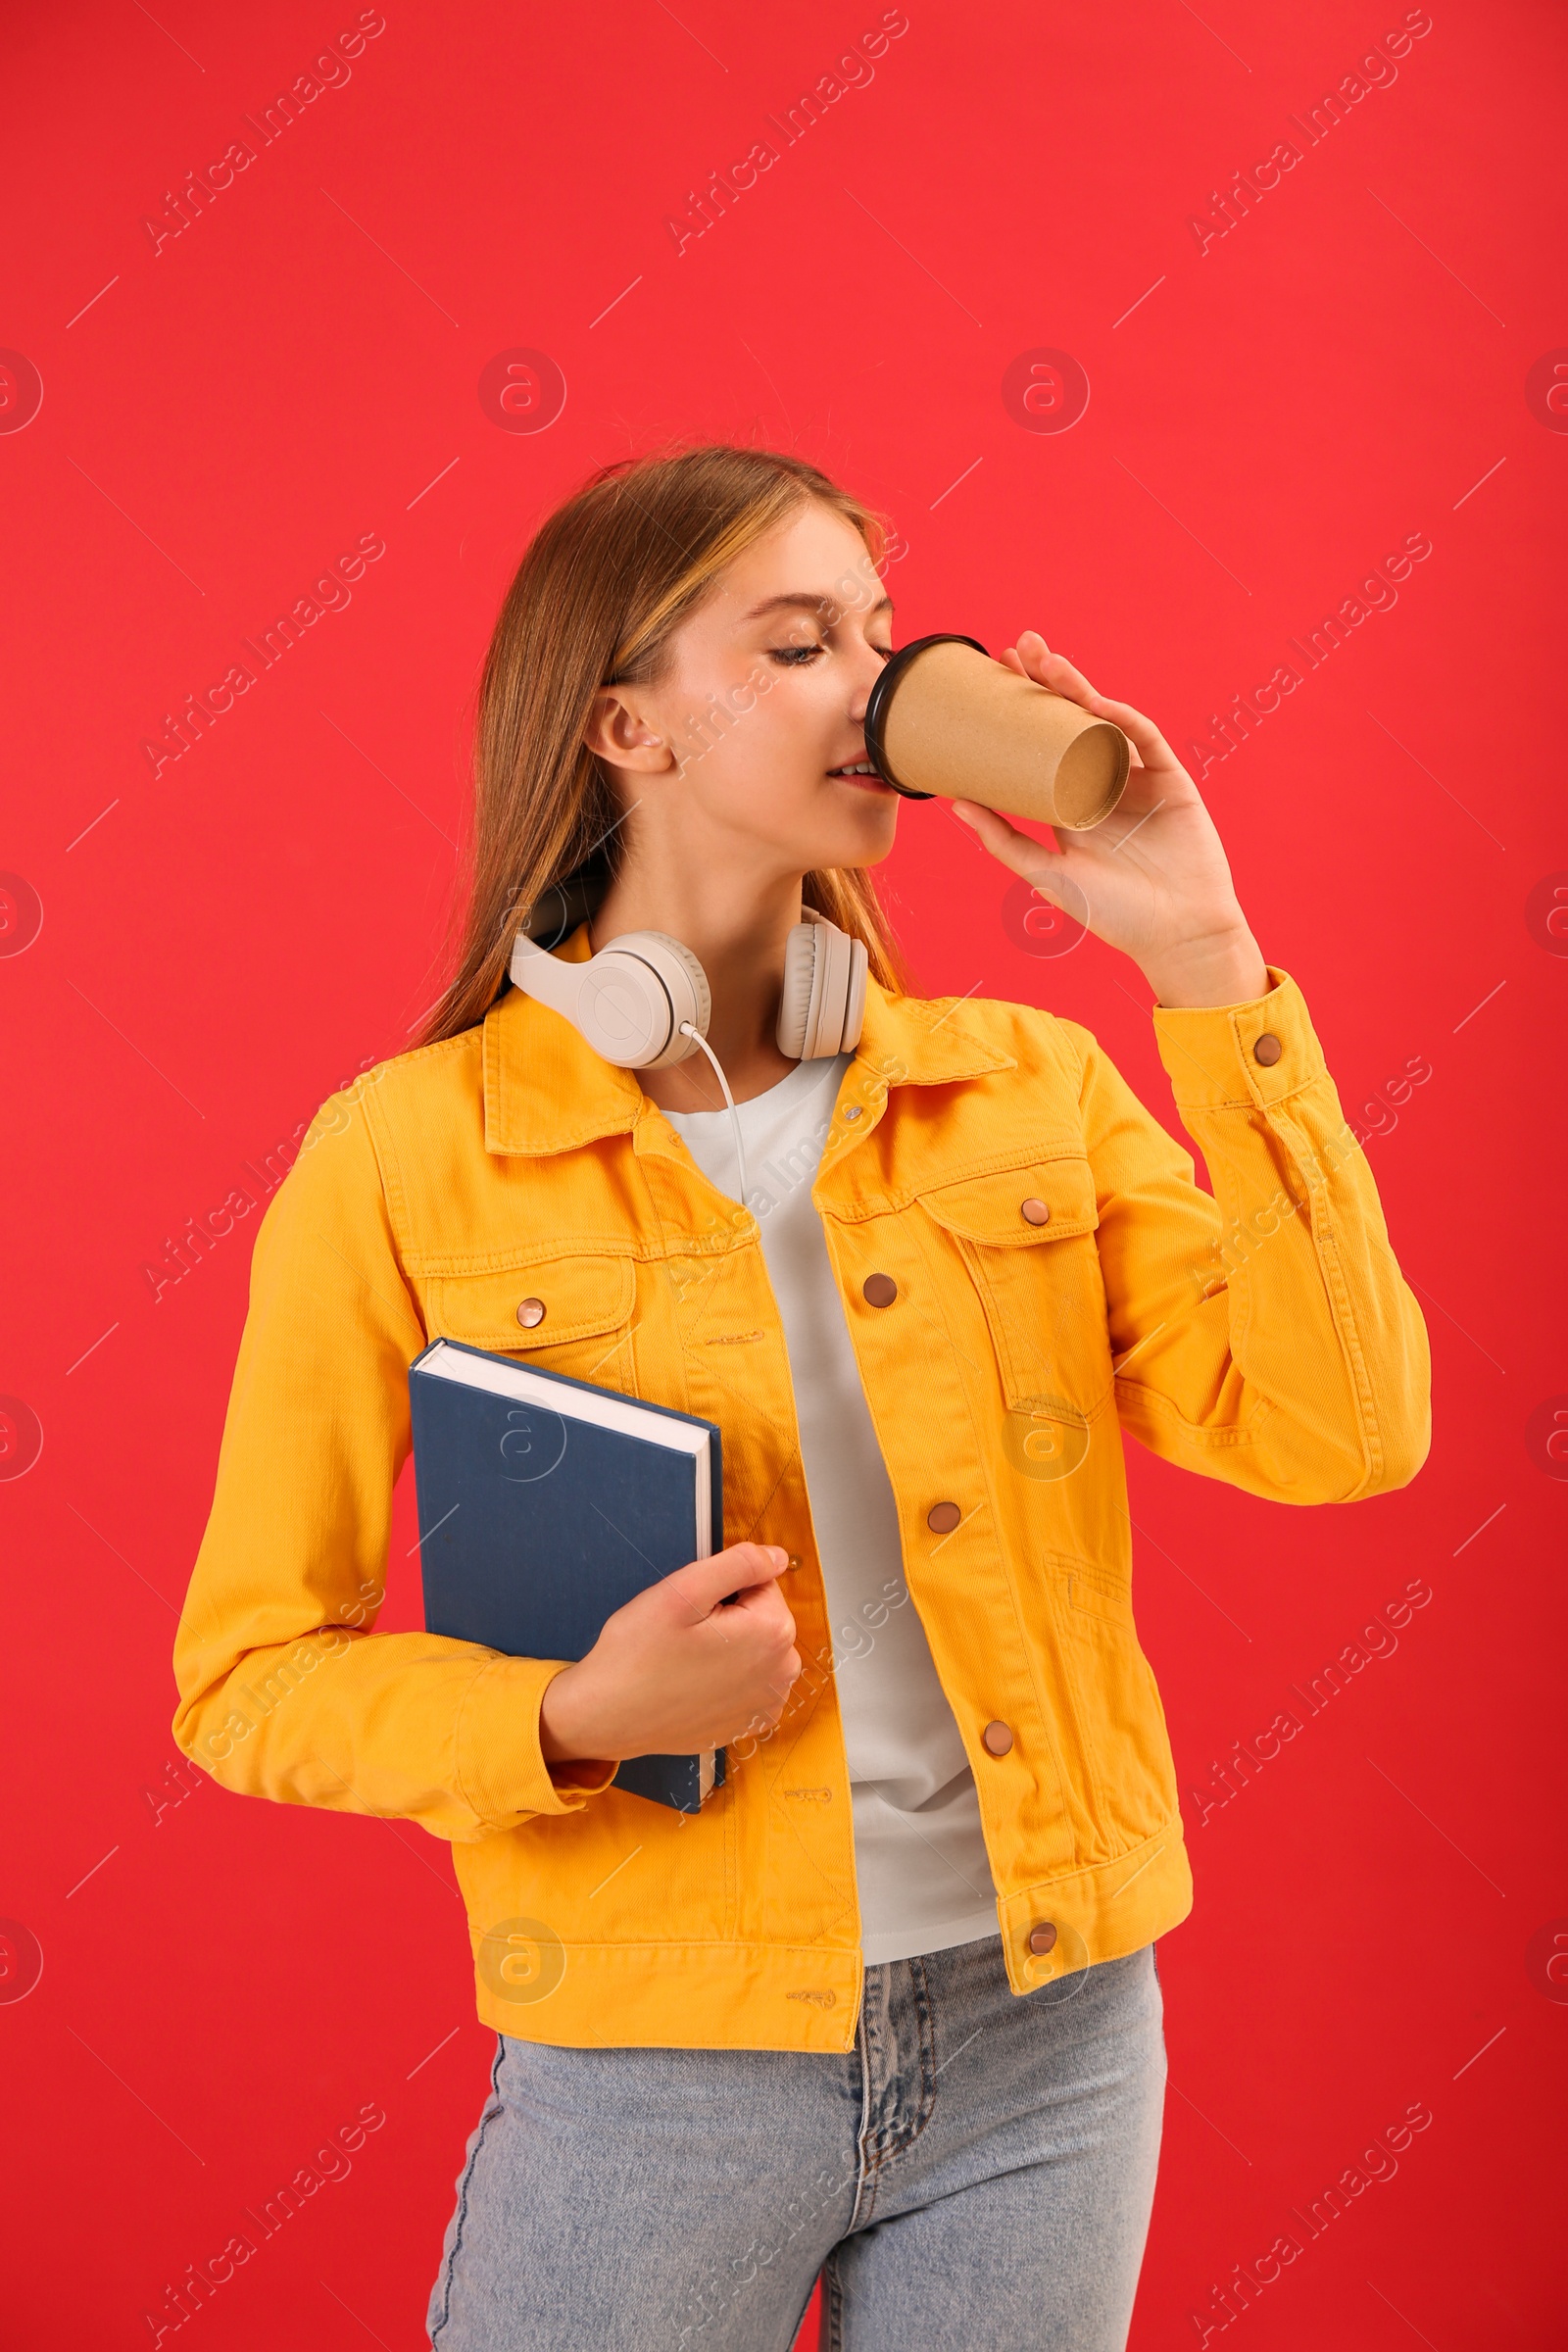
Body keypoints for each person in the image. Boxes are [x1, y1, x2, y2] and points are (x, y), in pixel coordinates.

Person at [172, 443, 1431, 2351]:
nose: (877, 686)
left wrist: (1200, 954)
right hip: (656, 2053)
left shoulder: (1021, 1090)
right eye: (794, 642)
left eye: (875, 631)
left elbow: (1345, 1431)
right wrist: (575, 1714)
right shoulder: (404, 1158)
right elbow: (245, 1675)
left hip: (1049, 2034)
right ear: (625, 725)